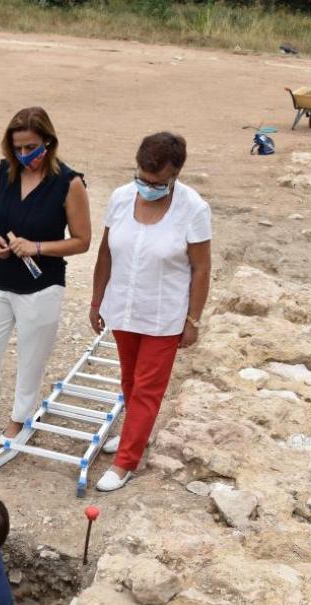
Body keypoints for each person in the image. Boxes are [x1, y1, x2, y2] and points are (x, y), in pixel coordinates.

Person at [0, 107, 91, 446]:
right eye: (16, 147)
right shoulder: (5, 172)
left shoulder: (69, 183)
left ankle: (20, 420)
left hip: (41, 285)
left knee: (31, 358)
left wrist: (37, 247)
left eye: (29, 146)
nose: (23, 154)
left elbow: (82, 240)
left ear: (47, 141)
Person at [89, 132, 211, 492]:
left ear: (175, 175)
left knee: (146, 389)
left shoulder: (194, 209)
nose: (147, 187)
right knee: (128, 381)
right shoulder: (121, 198)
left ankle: (126, 460)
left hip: (164, 316)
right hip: (124, 307)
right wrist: (97, 301)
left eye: (157, 183)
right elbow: (106, 252)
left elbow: (201, 268)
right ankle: (133, 435)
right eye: (142, 178)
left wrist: (193, 320)